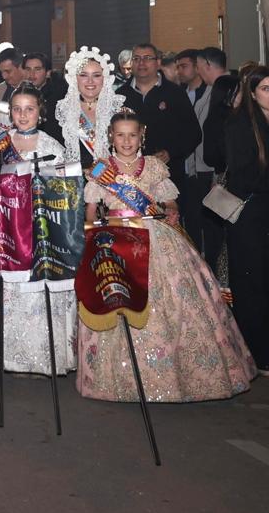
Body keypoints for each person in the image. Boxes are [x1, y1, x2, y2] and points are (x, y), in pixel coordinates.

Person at [78, 111, 255, 402]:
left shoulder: (154, 167)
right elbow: (91, 209)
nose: (126, 141)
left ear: (142, 136)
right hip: (116, 239)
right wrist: (91, 237)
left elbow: (169, 200)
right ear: (111, 136)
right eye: (120, 135)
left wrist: (172, 211)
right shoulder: (101, 170)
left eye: (132, 135)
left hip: (154, 236)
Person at [0, 88, 76, 376]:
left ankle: (43, 355)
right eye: (17, 109)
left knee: (38, 288)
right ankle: (8, 355)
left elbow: (64, 190)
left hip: (39, 228)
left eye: (29, 109)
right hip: (8, 227)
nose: (22, 115)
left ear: (40, 112)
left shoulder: (51, 147)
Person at [224, 70, 269, 372]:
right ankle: (258, 353)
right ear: (252, 94)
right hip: (251, 214)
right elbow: (240, 175)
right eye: (266, 88)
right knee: (254, 283)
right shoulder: (241, 125)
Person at [122, 42, 202, 202]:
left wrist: (171, 152)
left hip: (169, 176)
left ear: (158, 63)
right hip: (130, 177)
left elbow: (193, 133)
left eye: (147, 58)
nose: (141, 63)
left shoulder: (175, 93)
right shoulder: (120, 95)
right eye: (136, 58)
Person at [197, 46, 240, 267]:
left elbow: (214, 149)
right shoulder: (210, 90)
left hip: (225, 176)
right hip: (222, 174)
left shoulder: (224, 91)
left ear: (207, 64)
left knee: (222, 234)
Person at [54, 46, 121, 166]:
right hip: (74, 181)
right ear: (74, 78)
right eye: (83, 75)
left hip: (112, 178)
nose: (90, 81)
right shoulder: (63, 111)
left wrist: (97, 173)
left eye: (96, 75)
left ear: (105, 78)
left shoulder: (118, 110)